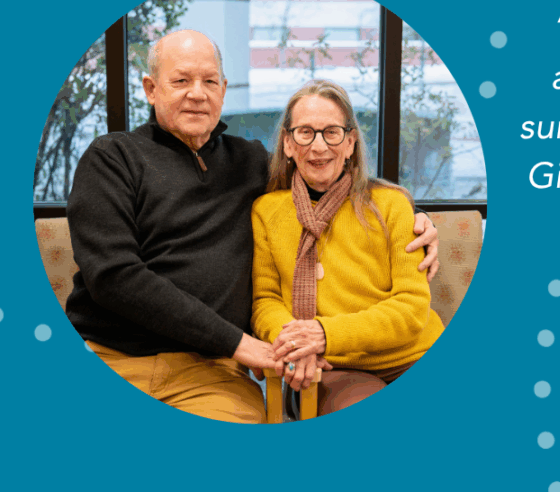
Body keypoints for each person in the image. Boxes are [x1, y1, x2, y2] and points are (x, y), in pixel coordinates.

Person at [65, 30, 440, 424]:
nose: (197, 93)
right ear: (150, 88)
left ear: (223, 91)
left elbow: (329, 181)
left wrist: (420, 217)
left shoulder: (250, 164)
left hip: (210, 373)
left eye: (210, 81)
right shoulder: (112, 158)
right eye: (181, 80)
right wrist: (243, 343)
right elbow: (114, 276)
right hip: (112, 357)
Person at [251, 79, 444, 415]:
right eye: (305, 132)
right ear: (288, 143)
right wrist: (297, 342)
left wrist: (324, 333)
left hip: (416, 353)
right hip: (333, 368)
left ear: (351, 142)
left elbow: (412, 307)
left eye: (332, 132)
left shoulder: (392, 205)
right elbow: (265, 301)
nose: (319, 146)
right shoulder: (267, 211)